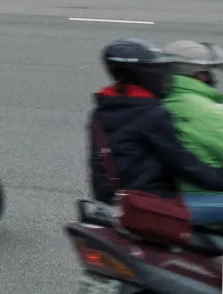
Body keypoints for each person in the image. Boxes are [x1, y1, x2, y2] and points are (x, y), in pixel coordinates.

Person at [90, 38, 223, 223]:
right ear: (141, 74)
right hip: (153, 205)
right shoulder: (151, 114)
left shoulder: (103, 109)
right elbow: (188, 166)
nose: (161, 74)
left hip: (114, 205)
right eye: (156, 69)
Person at [161, 41, 223, 169]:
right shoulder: (206, 111)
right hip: (207, 188)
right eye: (208, 72)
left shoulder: (162, 100)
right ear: (200, 75)